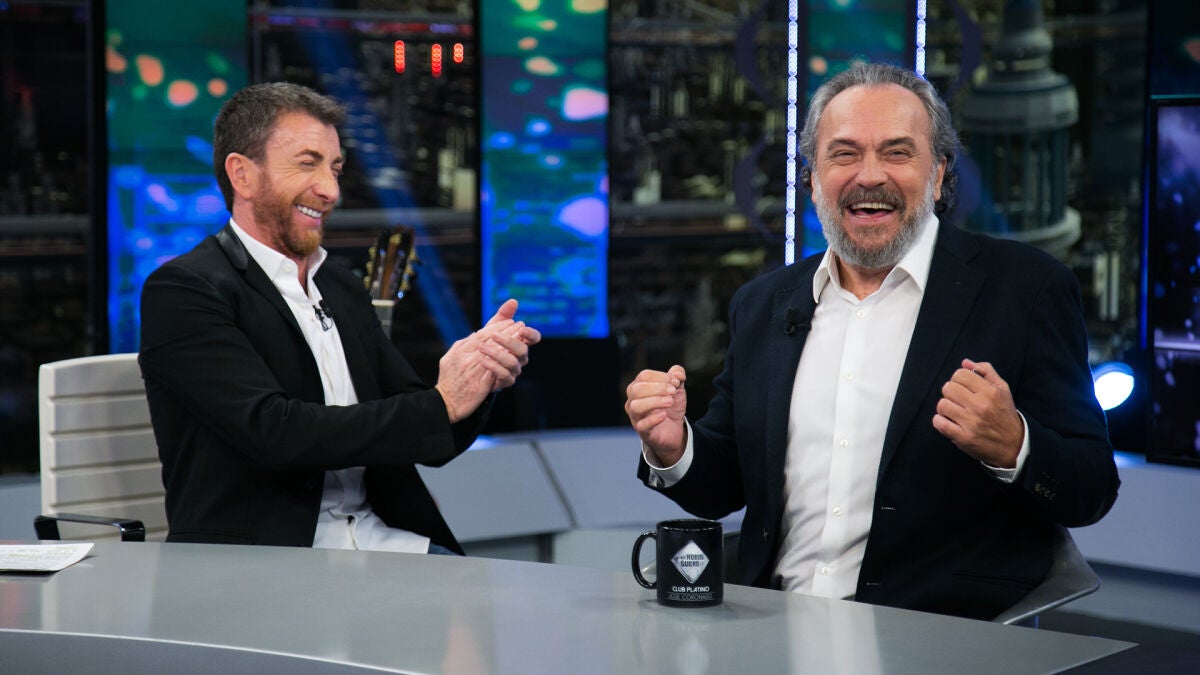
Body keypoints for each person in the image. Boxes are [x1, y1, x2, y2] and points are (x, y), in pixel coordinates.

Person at [624, 62, 1120, 620]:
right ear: (812, 179)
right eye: (844, 154)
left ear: (938, 174)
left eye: (897, 153)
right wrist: (673, 447)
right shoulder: (763, 304)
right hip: (772, 630)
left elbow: (1091, 488)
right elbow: (725, 485)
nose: (870, 176)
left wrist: (1015, 447)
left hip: (935, 637)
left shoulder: (1026, 290)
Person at [139, 82, 540, 555]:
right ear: (242, 175)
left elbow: (424, 429)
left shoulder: (340, 286)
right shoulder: (187, 290)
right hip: (265, 558)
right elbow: (274, 432)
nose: (330, 190)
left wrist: (478, 377)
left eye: (335, 168)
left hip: (377, 538)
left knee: (506, 597)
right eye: (307, 164)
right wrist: (441, 404)